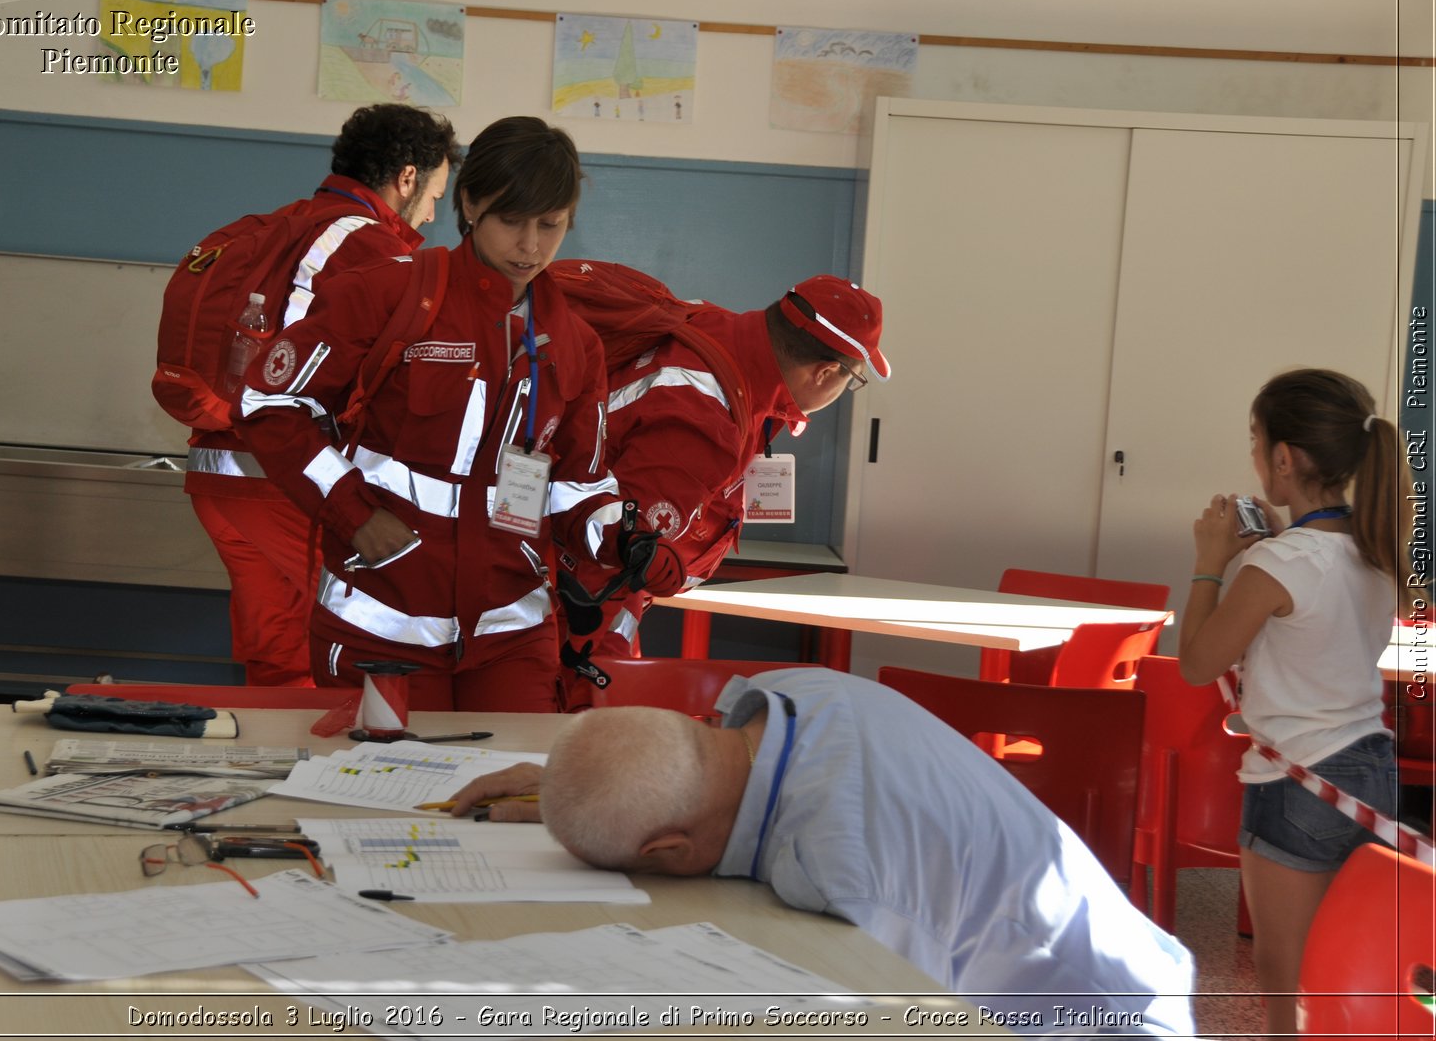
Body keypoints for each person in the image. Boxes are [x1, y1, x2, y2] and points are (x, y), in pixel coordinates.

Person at [445, 669, 1197, 1035]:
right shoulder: (784, 693)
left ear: (669, 847)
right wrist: (582, 781)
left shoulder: (851, 873)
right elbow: (672, 763)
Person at [233, 117, 683, 711]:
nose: (530, 246)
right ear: (469, 203)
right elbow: (269, 403)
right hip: (381, 622)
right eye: (510, 221)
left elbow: (576, 485)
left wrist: (624, 538)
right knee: (392, 798)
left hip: (512, 633)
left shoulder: (575, 343)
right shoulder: (388, 293)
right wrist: (353, 514)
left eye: (550, 226)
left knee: (516, 789)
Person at [180, 104, 459, 686]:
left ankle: (282, 776)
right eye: (434, 192)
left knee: (280, 665)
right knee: (386, 634)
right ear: (407, 178)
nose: (432, 214)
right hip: (288, 480)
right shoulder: (377, 251)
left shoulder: (279, 226)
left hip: (218, 475)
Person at [1177, 367, 1412, 1036]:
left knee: (1284, 975)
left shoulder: (1273, 565)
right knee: (1343, 960)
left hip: (1296, 782)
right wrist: (1273, 545)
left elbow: (1198, 663)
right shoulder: (1373, 552)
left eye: (1256, 441)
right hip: (1369, 773)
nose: (1254, 456)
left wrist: (1210, 562)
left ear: (1282, 458)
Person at [556, 270, 887, 691]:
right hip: (580, 611)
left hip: (579, 590)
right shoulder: (704, 415)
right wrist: (657, 569)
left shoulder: (720, 335)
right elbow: (619, 548)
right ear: (824, 373)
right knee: (581, 734)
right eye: (854, 380)